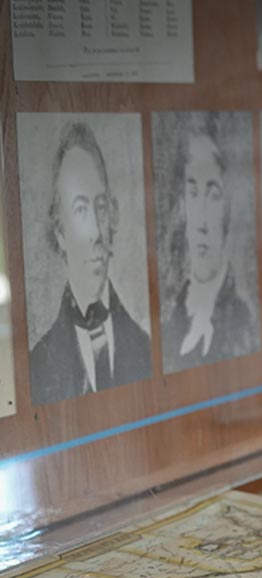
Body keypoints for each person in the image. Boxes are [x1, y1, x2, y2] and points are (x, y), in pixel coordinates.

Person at [30, 121, 150, 406]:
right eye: (81, 210)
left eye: (100, 207)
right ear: (60, 231)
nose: (96, 231)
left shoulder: (146, 347)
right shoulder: (36, 367)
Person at [161, 121, 254, 373]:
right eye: (192, 193)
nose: (201, 221)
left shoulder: (245, 324)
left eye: (213, 196)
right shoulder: (170, 323)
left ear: (228, 207)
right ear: (182, 205)